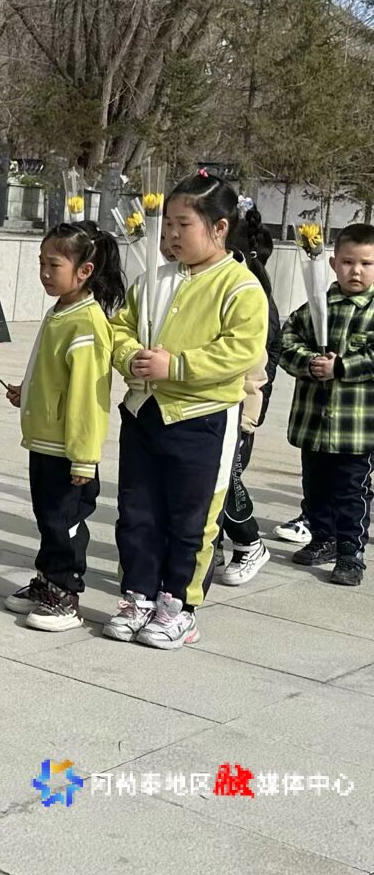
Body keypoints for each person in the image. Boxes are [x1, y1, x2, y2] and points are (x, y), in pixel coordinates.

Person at [105, 172, 268, 649]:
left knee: (192, 519)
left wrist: (175, 366)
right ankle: (138, 595)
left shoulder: (241, 287)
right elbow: (119, 328)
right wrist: (129, 356)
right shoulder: (153, 280)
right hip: (144, 412)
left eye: (184, 225)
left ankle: (179, 605)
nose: (172, 235)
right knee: (137, 511)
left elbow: (239, 351)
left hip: (202, 419)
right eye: (169, 224)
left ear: (219, 228)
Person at [3, 221, 123, 631]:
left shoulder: (86, 322)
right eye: (41, 262)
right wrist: (28, 393)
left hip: (69, 450)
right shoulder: (60, 311)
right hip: (45, 442)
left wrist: (84, 458)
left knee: (64, 522)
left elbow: (89, 397)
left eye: (53, 265)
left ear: (84, 271)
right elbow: (54, 374)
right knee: (48, 518)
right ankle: (47, 581)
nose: (44, 272)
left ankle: (66, 593)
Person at [277, 221, 374, 587]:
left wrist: (341, 367)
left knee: (351, 491)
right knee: (315, 486)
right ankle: (322, 538)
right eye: (348, 262)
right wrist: (310, 364)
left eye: (366, 263)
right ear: (333, 264)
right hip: (314, 424)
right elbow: (286, 342)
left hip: (356, 429)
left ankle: (351, 553)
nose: (356, 271)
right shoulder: (317, 306)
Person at [213, 206, 279, 586]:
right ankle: (213, 546)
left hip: (239, 411)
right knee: (210, 483)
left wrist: (248, 418)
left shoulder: (254, 299)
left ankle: (249, 541)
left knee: (226, 479)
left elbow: (259, 370)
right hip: (213, 406)